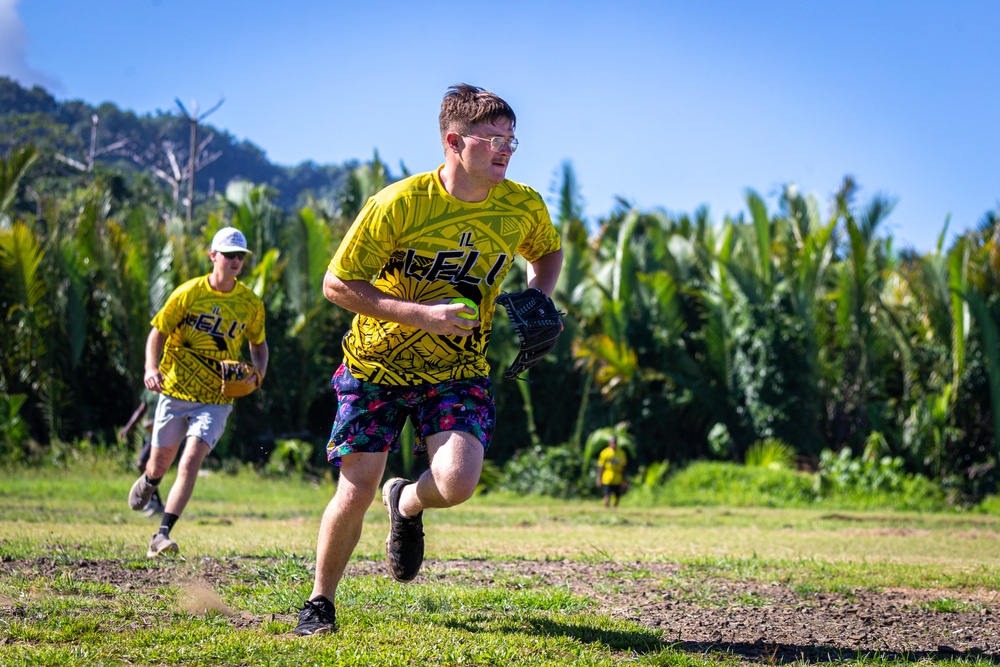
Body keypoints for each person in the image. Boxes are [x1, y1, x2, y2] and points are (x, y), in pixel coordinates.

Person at [293, 83, 564, 636]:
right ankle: (320, 602)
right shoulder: (400, 204)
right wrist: (421, 314)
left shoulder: (521, 205)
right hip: (376, 367)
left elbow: (547, 249)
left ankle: (408, 502)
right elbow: (337, 284)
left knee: (459, 482)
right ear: (453, 141)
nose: (505, 149)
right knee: (356, 487)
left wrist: (541, 294)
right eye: (492, 138)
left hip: (457, 370)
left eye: (512, 138)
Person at [127, 226, 268, 558]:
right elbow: (157, 333)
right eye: (229, 254)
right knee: (161, 462)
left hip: (217, 398)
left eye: (240, 256)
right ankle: (150, 479)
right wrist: (151, 368)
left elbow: (258, 345)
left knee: (191, 460)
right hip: (176, 390)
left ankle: (161, 534)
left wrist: (258, 374)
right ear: (213, 256)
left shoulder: (249, 303)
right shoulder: (188, 294)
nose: (235, 261)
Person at [119, 402, 164, 516]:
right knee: (147, 466)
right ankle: (155, 501)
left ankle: (153, 501)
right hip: (148, 436)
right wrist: (128, 428)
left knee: (143, 464)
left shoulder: (166, 388)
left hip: (161, 435)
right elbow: (141, 411)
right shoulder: (148, 390)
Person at [596, 436, 628, 508]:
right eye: (612, 442)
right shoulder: (604, 453)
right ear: (609, 443)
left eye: (615, 443)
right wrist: (599, 478)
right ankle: (606, 508)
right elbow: (601, 467)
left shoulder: (621, 453)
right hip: (608, 477)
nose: (614, 444)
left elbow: (624, 467)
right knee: (607, 494)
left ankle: (614, 509)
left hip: (618, 478)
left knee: (618, 495)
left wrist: (624, 479)